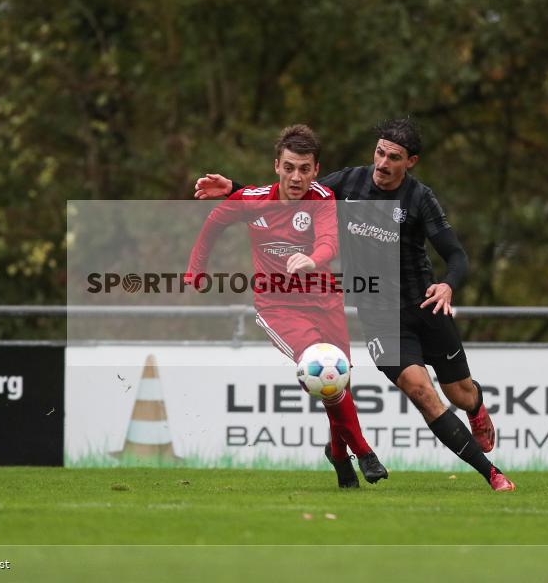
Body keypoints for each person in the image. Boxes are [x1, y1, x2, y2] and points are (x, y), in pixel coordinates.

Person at [194, 117, 515, 492]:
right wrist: (236, 189)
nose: (382, 163)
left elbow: (456, 255)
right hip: (380, 316)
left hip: (425, 306)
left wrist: (448, 284)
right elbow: (293, 189)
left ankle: (476, 408)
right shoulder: (349, 183)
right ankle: (493, 474)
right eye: (379, 153)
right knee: (422, 393)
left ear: (410, 162)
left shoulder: (419, 198)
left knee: (460, 393)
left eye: (393, 157)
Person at [187, 124, 387, 489]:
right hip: (278, 306)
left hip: (324, 300)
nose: (296, 177)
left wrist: (313, 259)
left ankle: (339, 455)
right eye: (290, 167)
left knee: (337, 380)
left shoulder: (323, 197)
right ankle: (363, 451)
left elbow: (329, 242)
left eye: (305, 169)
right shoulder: (252, 200)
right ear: (277, 166)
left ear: (315, 170)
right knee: (321, 368)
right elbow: (214, 222)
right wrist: (195, 269)